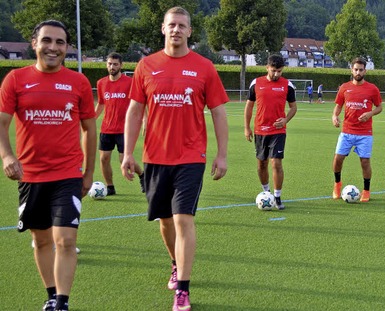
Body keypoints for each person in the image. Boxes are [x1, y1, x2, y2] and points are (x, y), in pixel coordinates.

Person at [121, 7, 229, 311]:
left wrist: (221, 155)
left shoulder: (205, 67)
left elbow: (219, 112)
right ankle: (175, 261)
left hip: (191, 157)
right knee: (165, 221)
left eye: (182, 25)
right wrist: (128, 152)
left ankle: (183, 289)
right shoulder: (146, 65)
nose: (176, 30)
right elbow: (134, 111)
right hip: (155, 157)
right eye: (172, 25)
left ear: (190, 31)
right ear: (163, 28)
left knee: (183, 218)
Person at [0, 20, 96, 311]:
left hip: (67, 174)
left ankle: (62, 303)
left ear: (66, 47)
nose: (53, 48)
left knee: (66, 240)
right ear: (34, 43)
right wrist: (7, 156)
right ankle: (52, 296)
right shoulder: (15, 80)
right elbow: (2, 124)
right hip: (31, 175)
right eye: (47, 41)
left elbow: (89, 130)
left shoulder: (78, 82)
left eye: (60, 42)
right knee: (41, 242)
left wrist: (88, 173)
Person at [244, 54, 297, 210]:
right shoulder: (256, 83)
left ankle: (277, 196)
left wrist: (285, 120)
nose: (276, 74)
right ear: (267, 68)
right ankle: (266, 193)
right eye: (273, 71)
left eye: (279, 71)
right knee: (261, 164)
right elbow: (249, 106)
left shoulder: (288, 85)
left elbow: (294, 107)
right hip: (260, 130)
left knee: (276, 163)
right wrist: (247, 127)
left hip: (278, 131)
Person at [331, 57, 383, 202]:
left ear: (365, 71)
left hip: (364, 133)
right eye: (356, 69)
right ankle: (337, 184)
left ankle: (366, 190)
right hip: (347, 131)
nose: (358, 72)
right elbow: (338, 105)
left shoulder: (372, 89)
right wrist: (335, 116)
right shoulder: (344, 87)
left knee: (365, 161)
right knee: (338, 159)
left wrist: (370, 113)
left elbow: (379, 107)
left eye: (361, 70)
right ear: (351, 70)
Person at [95, 52, 144, 195]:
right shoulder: (101, 83)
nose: (112, 66)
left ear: (121, 66)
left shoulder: (130, 83)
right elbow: (101, 104)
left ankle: (142, 175)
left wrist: (145, 119)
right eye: (109, 64)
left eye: (115, 64)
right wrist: (90, 120)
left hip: (124, 129)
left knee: (125, 159)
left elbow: (140, 102)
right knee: (104, 159)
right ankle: (110, 187)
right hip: (106, 128)